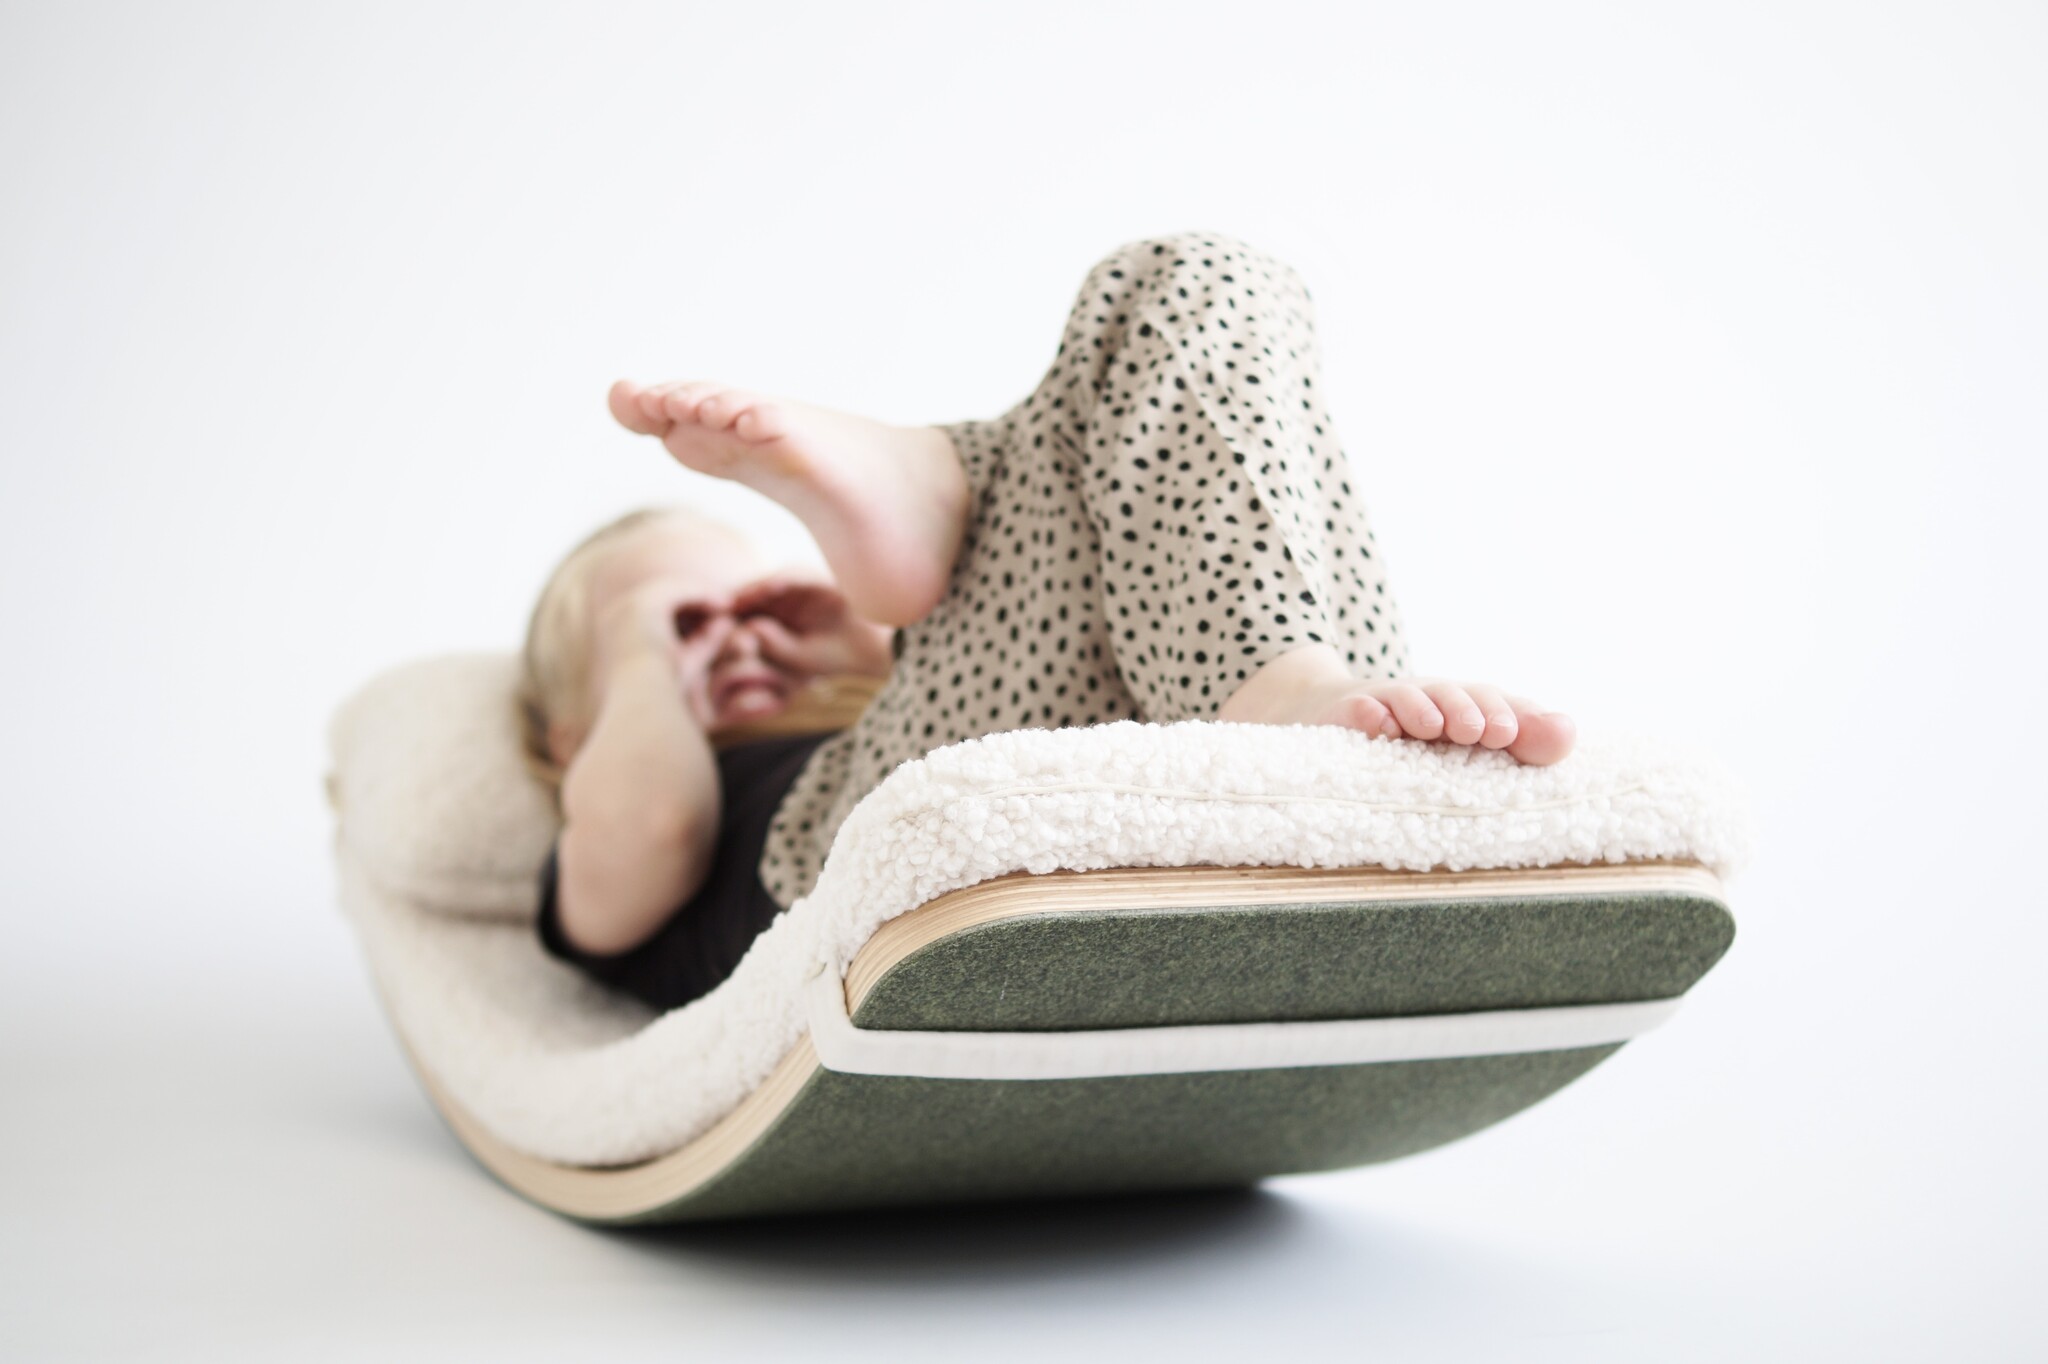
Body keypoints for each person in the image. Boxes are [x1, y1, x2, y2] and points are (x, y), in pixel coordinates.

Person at [515, 232, 1577, 1013]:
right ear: (569, 734)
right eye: (684, 623)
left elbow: (952, 668)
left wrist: (852, 643)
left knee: (1185, 279)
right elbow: (652, 827)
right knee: (1133, 340)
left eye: (750, 607)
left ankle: (1283, 682)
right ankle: (958, 476)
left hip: (1144, 731)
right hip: (891, 850)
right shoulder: (606, 847)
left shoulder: (860, 690)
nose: (732, 635)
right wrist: (640, 649)